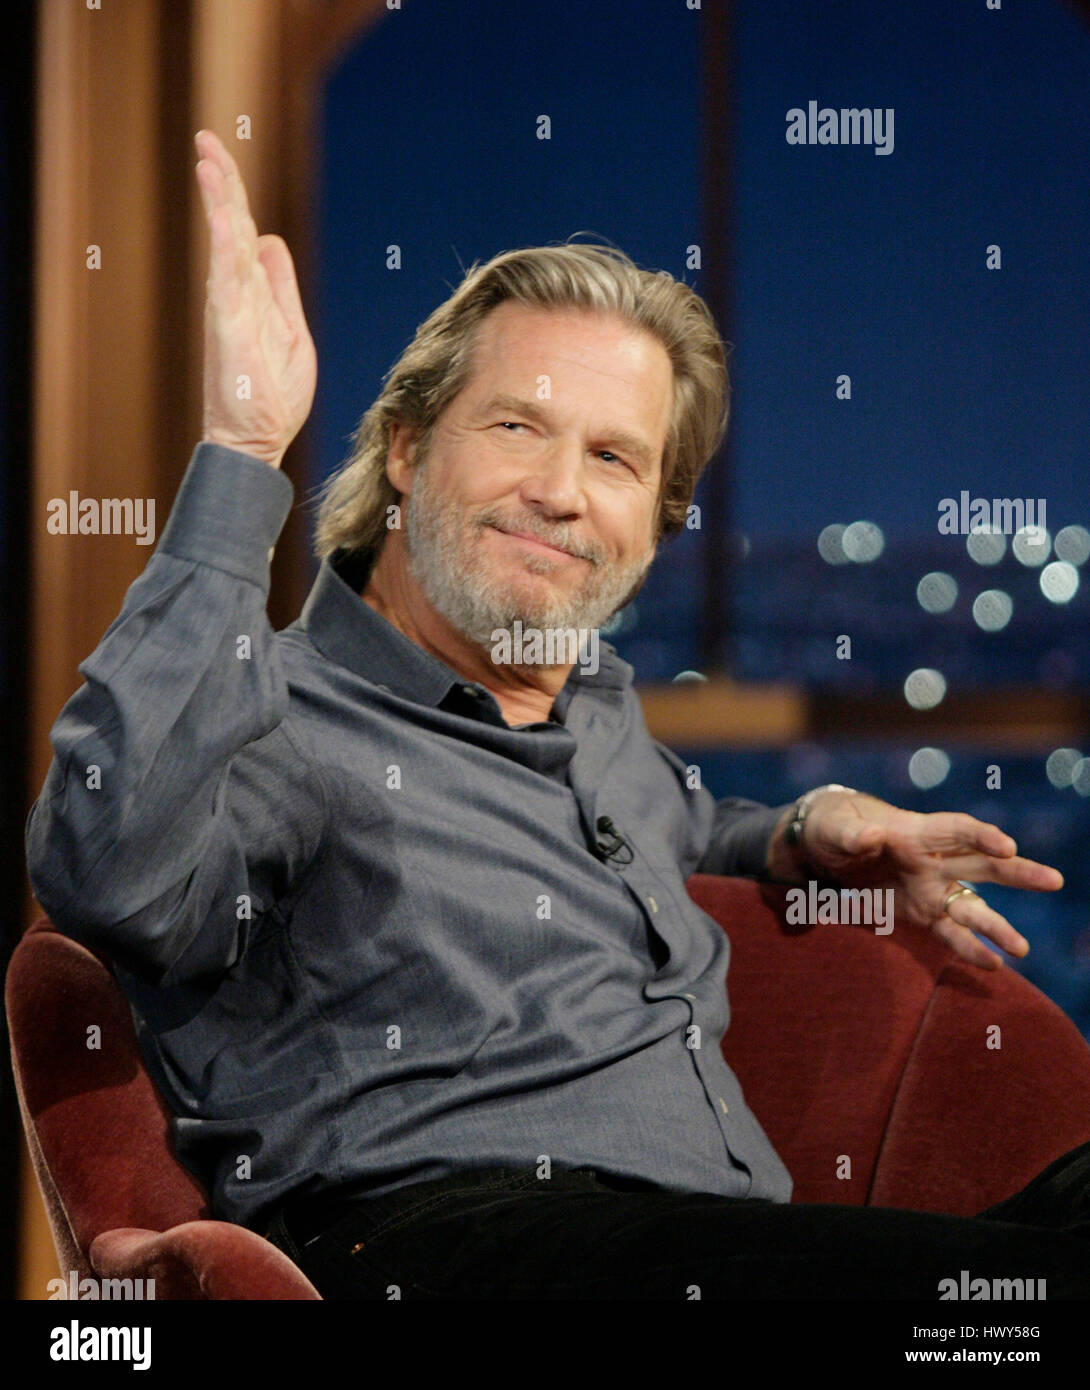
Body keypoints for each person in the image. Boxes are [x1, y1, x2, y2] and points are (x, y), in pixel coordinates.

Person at [24, 129, 1090, 1299]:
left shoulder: (594, 718)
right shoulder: (280, 718)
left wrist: (796, 833)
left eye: (616, 458)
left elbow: (675, 828)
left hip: (707, 1237)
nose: (562, 491)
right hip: (451, 1244)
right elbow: (106, 868)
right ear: (406, 449)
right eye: (518, 426)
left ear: (652, 523)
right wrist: (240, 450)